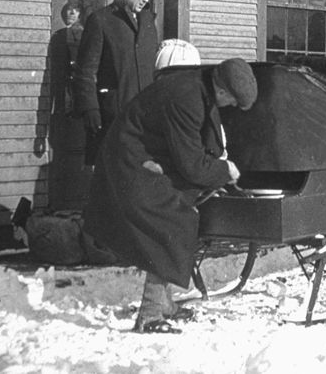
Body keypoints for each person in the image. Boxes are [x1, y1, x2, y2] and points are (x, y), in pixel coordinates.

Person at [83, 58, 258, 334]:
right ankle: (150, 314)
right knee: (171, 220)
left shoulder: (201, 87)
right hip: (130, 162)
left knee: (178, 212)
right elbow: (191, 165)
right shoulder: (187, 98)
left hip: (149, 156)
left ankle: (164, 304)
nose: (232, 107)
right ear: (223, 91)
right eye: (234, 102)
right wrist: (225, 170)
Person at [73, 0, 160, 165]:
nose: (146, 0)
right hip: (111, 117)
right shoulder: (102, 20)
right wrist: (91, 110)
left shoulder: (148, 23)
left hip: (144, 120)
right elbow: (85, 72)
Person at [48, 2, 83, 122]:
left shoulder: (84, 34)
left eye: (76, 10)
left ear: (80, 14)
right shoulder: (58, 36)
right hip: (61, 83)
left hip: (78, 83)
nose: (72, 13)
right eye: (69, 10)